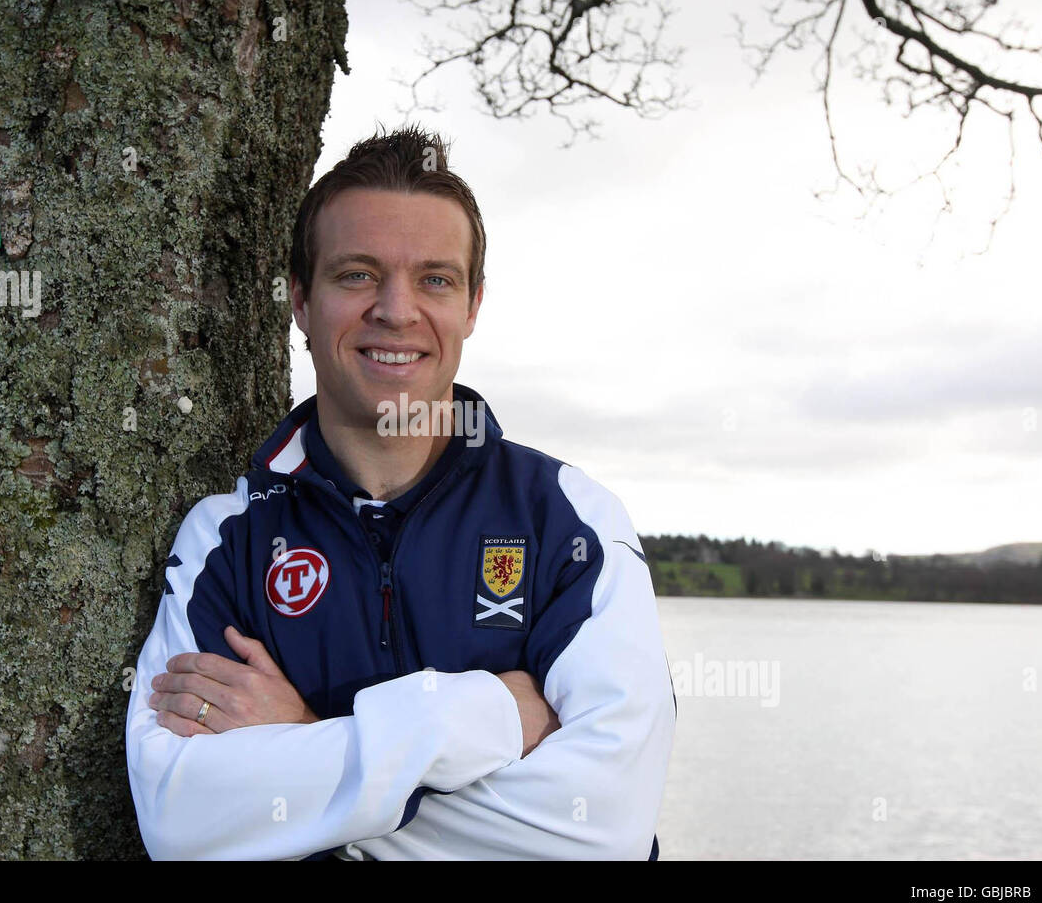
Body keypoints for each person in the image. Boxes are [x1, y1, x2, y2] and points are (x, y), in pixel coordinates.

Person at [125, 125, 676, 860]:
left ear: (473, 305)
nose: (396, 309)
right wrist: (486, 714)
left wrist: (305, 742)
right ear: (299, 298)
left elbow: (604, 829)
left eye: (435, 280)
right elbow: (180, 819)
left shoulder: (568, 518)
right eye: (357, 274)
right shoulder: (225, 537)